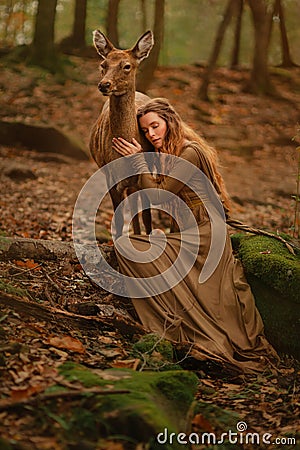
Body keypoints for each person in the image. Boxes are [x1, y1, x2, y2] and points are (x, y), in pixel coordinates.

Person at [112, 97, 278, 373]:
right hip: (191, 232)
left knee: (130, 247)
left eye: (156, 126)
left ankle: (187, 331)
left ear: (170, 122)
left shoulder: (189, 152)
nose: (151, 134)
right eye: (146, 130)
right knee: (128, 247)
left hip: (207, 234)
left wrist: (139, 162)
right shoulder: (170, 153)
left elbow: (159, 195)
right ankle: (174, 322)